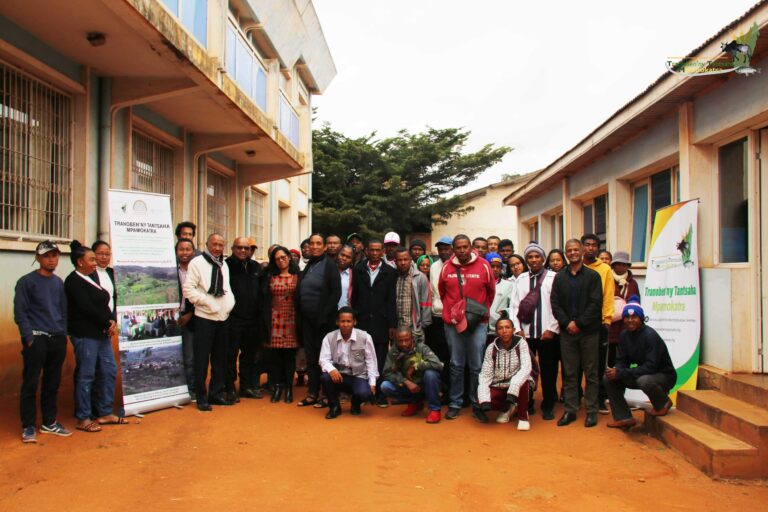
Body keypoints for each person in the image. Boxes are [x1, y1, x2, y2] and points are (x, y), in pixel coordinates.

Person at [15, 241, 71, 443]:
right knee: (30, 383)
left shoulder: (58, 283)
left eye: (55, 255)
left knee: (52, 382)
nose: (51, 259)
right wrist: (29, 337)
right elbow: (20, 313)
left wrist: (63, 334)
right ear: (38, 258)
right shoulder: (26, 282)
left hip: (56, 339)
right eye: (47, 256)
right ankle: (28, 425)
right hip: (36, 339)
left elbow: (63, 311)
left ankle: (49, 422)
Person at [65, 240, 121, 432]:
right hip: (85, 335)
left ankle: (104, 412)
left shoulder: (90, 278)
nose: (95, 261)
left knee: (109, 370)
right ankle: (83, 417)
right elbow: (87, 308)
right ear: (80, 262)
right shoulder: (73, 281)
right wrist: (107, 322)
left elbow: (103, 304)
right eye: (91, 259)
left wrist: (111, 321)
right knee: (86, 374)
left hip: (102, 334)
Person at [438, 234, 495, 421]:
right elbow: (442, 291)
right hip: (453, 324)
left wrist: (479, 314)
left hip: (477, 324)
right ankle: (455, 403)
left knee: (476, 365)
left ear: (471, 247)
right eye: (458, 247)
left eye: (465, 247)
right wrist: (453, 313)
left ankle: (476, 403)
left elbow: (490, 292)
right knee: (456, 364)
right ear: (454, 249)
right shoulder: (447, 267)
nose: (462, 250)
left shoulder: (484, 266)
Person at [550, 239, 604, 428]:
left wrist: (579, 323)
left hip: (588, 332)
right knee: (570, 374)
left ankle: (591, 411)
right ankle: (570, 410)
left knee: (591, 373)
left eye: (575, 249)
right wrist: (567, 323)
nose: (572, 253)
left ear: (581, 251)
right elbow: (555, 303)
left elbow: (596, 304)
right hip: (567, 333)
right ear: (565, 253)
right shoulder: (560, 277)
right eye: (568, 250)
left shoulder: (593, 276)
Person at [182, 233, 236, 411]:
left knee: (220, 358)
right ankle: (201, 396)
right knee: (201, 359)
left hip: (223, 317)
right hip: (204, 317)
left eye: (221, 245)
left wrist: (229, 304)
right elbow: (188, 289)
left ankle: (216, 393)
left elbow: (226, 288)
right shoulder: (197, 263)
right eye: (215, 244)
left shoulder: (224, 264)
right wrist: (207, 302)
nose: (218, 248)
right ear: (207, 244)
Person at [604, 298, 677, 428]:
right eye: (627, 317)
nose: (630, 320)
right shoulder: (624, 335)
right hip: (643, 374)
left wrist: (621, 372)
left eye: (634, 317)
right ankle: (624, 417)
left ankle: (663, 403)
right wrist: (616, 371)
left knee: (644, 381)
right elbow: (621, 360)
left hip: (663, 376)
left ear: (641, 319)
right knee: (609, 378)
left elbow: (651, 367)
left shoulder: (650, 336)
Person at [512, 243, 560, 420]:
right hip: (526, 334)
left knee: (549, 370)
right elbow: (514, 306)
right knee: (526, 370)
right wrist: (517, 329)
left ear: (543, 258)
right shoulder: (521, 279)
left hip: (547, 334)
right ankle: (528, 402)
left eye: (537, 256)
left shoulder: (553, 278)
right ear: (526, 260)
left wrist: (552, 329)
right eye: (530, 257)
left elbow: (558, 306)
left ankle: (548, 405)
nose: (533, 260)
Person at [296, 234, 342, 407]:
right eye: (311, 243)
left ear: (324, 247)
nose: (314, 246)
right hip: (307, 321)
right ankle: (312, 392)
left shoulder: (330, 266)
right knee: (311, 358)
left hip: (323, 322)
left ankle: (326, 395)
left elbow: (335, 293)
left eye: (318, 244)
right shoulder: (309, 266)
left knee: (325, 358)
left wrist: (323, 317)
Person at [351, 238, 397, 407]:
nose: (375, 253)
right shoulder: (359, 269)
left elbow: (391, 301)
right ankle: (364, 393)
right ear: (367, 251)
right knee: (361, 357)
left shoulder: (390, 272)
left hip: (381, 322)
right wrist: (355, 316)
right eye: (372, 250)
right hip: (362, 320)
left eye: (379, 250)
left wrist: (392, 324)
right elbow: (354, 296)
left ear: (383, 251)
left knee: (380, 358)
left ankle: (379, 393)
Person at [319, 307, 378, 419]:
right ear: (337, 322)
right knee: (325, 377)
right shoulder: (329, 337)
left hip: (358, 375)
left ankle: (355, 403)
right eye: (342, 321)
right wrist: (332, 370)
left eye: (348, 321)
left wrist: (372, 382)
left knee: (365, 393)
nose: (345, 324)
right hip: (339, 375)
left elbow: (371, 361)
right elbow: (323, 359)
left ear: (354, 322)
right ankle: (335, 407)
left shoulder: (365, 337)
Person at [477, 312, 533, 430]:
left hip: (517, 384)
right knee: (485, 398)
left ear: (513, 330)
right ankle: (508, 408)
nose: (504, 331)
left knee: (524, 381)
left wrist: (513, 389)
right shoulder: (491, 348)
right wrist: (484, 399)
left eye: (507, 327)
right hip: (499, 384)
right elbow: (485, 374)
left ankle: (523, 417)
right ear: (496, 331)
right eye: (500, 328)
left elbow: (526, 367)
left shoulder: (521, 344)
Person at [259, 246, 300, 404]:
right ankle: (277, 387)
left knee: (289, 357)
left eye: (283, 257)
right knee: (275, 357)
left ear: (289, 257)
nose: (281, 260)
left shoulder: (297, 276)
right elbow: (263, 298)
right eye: (277, 259)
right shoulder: (269, 276)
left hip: (292, 319)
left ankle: (289, 388)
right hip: (274, 319)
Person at [581, 234, 615, 414]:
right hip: (577, 323)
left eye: (594, 245)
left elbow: (608, 295)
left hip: (599, 323)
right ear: (582, 247)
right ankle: (575, 397)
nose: (591, 248)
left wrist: (607, 319)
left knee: (599, 364)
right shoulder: (575, 267)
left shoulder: (605, 269)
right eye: (587, 245)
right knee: (577, 363)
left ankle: (599, 398)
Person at [380, 328, 444, 423]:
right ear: (396, 341)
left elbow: (438, 365)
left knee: (431, 374)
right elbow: (386, 372)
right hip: (408, 386)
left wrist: (416, 366)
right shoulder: (393, 352)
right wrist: (405, 382)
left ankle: (434, 409)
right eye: (400, 341)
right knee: (385, 386)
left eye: (407, 340)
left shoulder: (421, 348)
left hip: (424, 385)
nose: (404, 344)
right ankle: (414, 403)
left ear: (412, 339)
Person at [225, 236, 261, 401]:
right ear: (233, 249)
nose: (243, 251)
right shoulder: (226, 266)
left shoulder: (255, 267)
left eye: (246, 248)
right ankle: (230, 388)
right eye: (239, 247)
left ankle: (246, 386)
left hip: (252, 320)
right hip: (233, 319)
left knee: (249, 355)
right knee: (230, 355)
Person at [426, 236, 453, 401]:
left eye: (446, 248)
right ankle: (441, 390)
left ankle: (454, 392)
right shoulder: (434, 267)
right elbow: (432, 290)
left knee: (453, 357)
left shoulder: (457, 265)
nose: (443, 251)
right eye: (440, 248)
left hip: (454, 318)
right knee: (439, 356)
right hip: (436, 316)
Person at [394, 247, 432, 341]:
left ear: (410, 260)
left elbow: (426, 301)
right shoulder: (392, 276)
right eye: (399, 260)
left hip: (415, 328)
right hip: (397, 328)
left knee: (417, 354)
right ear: (395, 261)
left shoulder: (420, 277)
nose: (403, 263)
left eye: (405, 259)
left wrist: (423, 325)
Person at [608, 251, 640, 357]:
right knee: (610, 356)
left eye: (624, 264)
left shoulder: (632, 283)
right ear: (613, 265)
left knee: (625, 355)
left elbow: (637, 302)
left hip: (627, 325)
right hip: (610, 326)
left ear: (628, 266)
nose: (621, 267)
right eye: (618, 264)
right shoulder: (607, 280)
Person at [176, 239, 196, 399]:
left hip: (191, 319)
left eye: (187, 249)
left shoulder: (197, 271)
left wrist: (190, 314)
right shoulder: (170, 271)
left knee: (190, 357)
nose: (184, 252)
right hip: (172, 319)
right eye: (181, 249)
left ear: (193, 252)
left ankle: (191, 389)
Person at [485, 252, 515, 343]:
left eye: (498, 267)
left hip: (498, 330)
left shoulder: (508, 285)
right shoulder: (480, 284)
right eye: (492, 266)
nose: (495, 269)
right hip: (481, 328)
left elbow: (514, 306)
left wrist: (505, 312)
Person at [337, 244, 355, 309]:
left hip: (345, 315)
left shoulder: (354, 275)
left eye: (348, 257)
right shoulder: (329, 271)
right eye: (342, 255)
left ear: (352, 260)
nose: (344, 258)